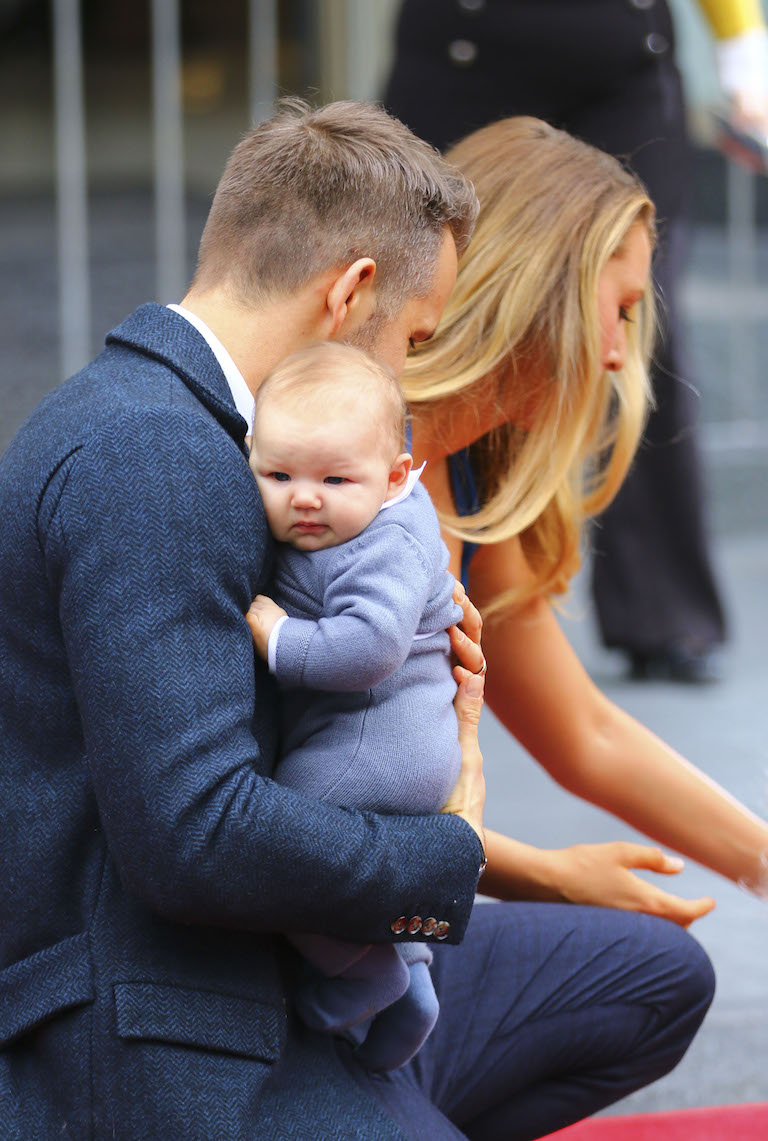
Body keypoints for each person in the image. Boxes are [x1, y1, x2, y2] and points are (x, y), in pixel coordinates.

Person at [0, 98, 714, 1141]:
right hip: (163, 1039)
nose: (412, 375)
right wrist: (450, 856)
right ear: (353, 293)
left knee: (652, 979)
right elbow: (193, 837)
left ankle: (384, 1095)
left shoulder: (195, 432)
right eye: (417, 337)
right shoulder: (150, 455)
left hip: (286, 965)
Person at [399, 114, 768, 929]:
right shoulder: (345, 463)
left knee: (653, 975)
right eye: (623, 308)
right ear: (546, 286)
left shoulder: (470, 469)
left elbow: (588, 733)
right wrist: (544, 874)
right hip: (289, 932)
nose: (616, 355)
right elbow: (310, 796)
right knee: (643, 970)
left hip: (382, 910)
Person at [384, 0, 767, 684]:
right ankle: (368, 562)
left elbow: (589, 746)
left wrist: (743, 46)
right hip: (463, 48)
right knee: (425, 300)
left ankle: (657, 609)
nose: (612, 354)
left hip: (618, 57)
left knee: (631, 319)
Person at [246, 341, 463, 1073]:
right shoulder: (361, 515)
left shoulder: (388, 540)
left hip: (379, 742)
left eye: (336, 478)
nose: (305, 498)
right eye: (277, 475)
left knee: (276, 847)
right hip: (386, 741)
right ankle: (411, 980)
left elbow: (371, 647)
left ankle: (363, 973)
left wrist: (279, 637)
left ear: (396, 475)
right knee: (364, 873)